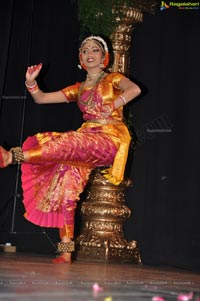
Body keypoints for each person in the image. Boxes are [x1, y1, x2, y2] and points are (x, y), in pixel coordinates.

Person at [0, 35, 141, 263]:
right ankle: (66, 251)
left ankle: (12, 156)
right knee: (66, 190)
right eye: (85, 51)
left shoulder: (113, 79)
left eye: (95, 50)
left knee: (70, 141)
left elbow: (134, 89)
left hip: (109, 138)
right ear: (81, 59)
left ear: (104, 57)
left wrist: (113, 104)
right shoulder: (79, 88)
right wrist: (30, 82)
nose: (89, 54)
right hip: (85, 140)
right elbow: (42, 99)